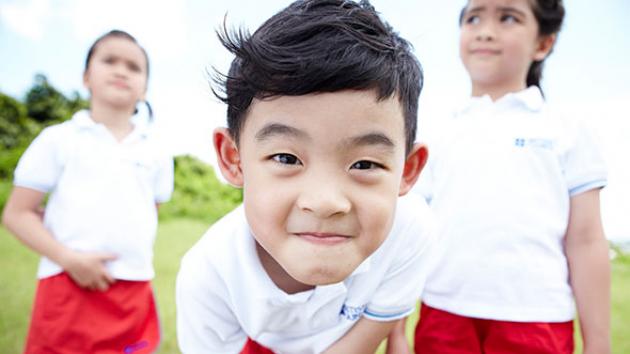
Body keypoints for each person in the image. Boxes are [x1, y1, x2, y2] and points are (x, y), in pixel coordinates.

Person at [175, 0, 436, 353]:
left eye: (364, 164)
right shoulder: (208, 277)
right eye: (286, 157)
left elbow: (377, 321)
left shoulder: (413, 229)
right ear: (234, 158)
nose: (326, 202)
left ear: (408, 170)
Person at [409, 0, 610, 353]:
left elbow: (586, 239)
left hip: (537, 319)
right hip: (444, 311)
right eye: (473, 18)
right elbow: (410, 230)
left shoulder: (567, 130)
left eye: (508, 18)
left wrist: (599, 343)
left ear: (543, 44)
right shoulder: (435, 129)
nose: (485, 30)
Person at [2, 30, 173, 353]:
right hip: (67, 284)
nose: (121, 70)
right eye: (109, 60)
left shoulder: (158, 152)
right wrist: (69, 258)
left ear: (145, 87)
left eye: (134, 67)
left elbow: (149, 213)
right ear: (86, 77)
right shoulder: (58, 139)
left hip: (132, 289)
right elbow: (16, 213)